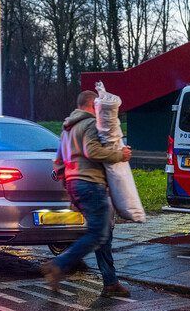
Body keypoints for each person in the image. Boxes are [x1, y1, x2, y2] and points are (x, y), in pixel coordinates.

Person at [42, 90, 133, 297]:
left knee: (103, 233)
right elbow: (92, 151)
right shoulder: (91, 124)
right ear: (93, 105)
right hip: (90, 183)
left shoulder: (67, 129)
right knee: (97, 234)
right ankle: (58, 264)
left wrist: (71, 188)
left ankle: (110, 282)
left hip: (75, 184)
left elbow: (58, 162)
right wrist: (120, 154)